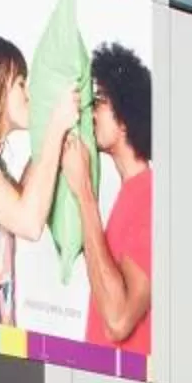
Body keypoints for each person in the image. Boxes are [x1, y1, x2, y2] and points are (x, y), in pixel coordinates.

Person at [0, 34, 80, 327]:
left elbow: (26, 197)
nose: (29, 96)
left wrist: (50, 133)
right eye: (21, 83)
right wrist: (54, 127)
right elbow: (29, 220)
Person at [63, 40, 153, 354]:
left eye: (99, 101)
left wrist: (84, 191)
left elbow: (117, 319)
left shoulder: (151, 198)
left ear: (126, 116)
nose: (90, 112)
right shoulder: (130, 194)